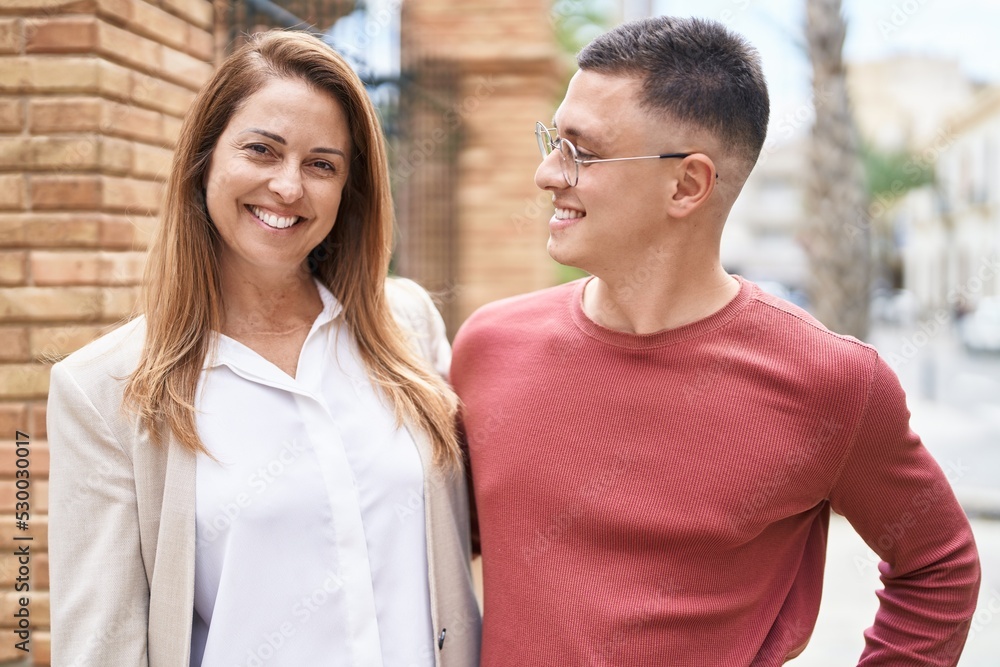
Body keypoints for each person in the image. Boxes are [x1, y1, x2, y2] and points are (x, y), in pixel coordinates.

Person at [450, 16, 980, 667]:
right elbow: (436, 546)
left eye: (581, 152)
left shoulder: (831, 382)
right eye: (553, 141)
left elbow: (938, 565)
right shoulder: (487, 347)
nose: (547, 174)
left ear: (687, 185)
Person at [47, 30, 480, 667]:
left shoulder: (406, 324)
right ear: (204, 160)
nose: (287, 186)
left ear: (347, 190)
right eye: (261, 150)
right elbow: (102, 646)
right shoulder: (104, 389)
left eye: (322, 164)